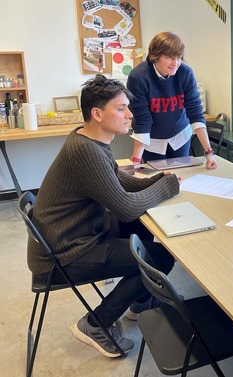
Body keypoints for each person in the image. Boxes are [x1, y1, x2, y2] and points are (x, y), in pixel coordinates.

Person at [28, 74, 180, 358]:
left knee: (137, 228)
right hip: (63, 254)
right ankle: (96, 323)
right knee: (159, 257)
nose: (130, 114)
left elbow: (117, 182)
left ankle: (141, 300)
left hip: (69, 236)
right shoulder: (86, 151)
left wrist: (157, 180)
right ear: (97, 113)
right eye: (121, 108)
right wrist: (165, 187)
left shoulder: (89, 138)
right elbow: (125, 206)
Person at [127, 31, 217, 169]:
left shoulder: (185, 73)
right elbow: (142, 121)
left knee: (182, 177)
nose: (175, 63)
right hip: (152, 141)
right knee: (157, 179)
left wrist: (209, 152)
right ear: (155, 56)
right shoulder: (138, 78)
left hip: (179, 136)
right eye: (169, 57)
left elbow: (195, 112)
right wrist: (135, 162)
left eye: (179, 57)